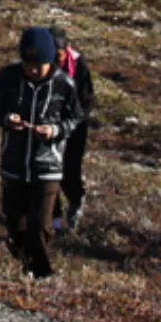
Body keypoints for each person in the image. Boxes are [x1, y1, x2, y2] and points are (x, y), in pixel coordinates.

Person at [0, 28, 85, 279]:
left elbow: (76, 118)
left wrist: (55, 130)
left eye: (39, 65)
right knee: (15, 225)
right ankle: (27, 264)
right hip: (13, 163)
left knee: (39, 225)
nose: (33, 70)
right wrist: (7, 119)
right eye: (28, 64)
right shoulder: (9, 77)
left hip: (48, 167)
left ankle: (43, 274)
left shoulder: (64, 84)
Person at [49, 27, 98, 232]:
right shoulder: (41, 63)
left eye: (59, 55)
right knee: (49, 172)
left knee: (70, 171)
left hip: (75, 127)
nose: (55, 60)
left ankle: (76, 200)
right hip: (49, 126)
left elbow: (87, 100)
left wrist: (72, 122)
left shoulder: (79, 65)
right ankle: (54, 217)